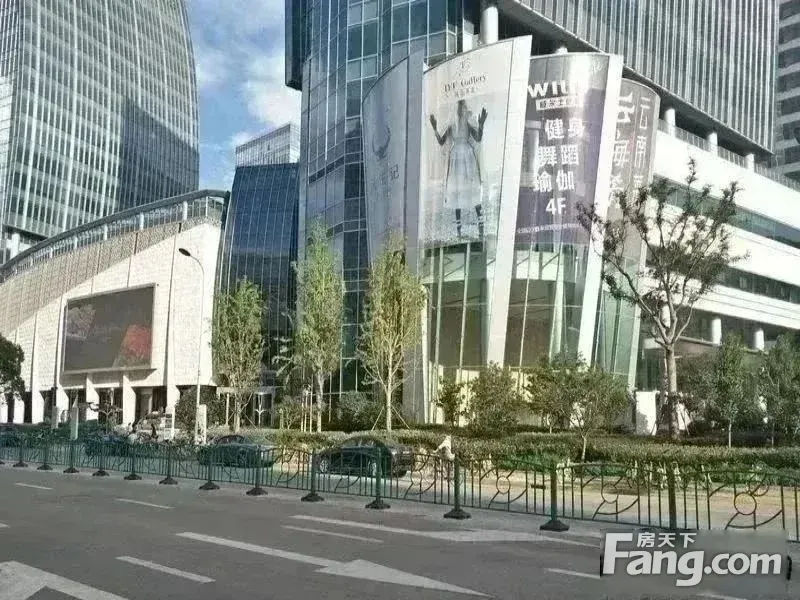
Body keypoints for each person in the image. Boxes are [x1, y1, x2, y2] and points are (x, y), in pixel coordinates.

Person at [429, 99, 488, 239]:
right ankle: (459, 231)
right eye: (459, 107)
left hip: (467, 157)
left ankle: (480, 229)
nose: (461, 110)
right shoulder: (452, 124)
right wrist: (435, 129)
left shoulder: (468, 122)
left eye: (463, 107)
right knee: (457, 190)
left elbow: (478, 138)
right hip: (456, 157)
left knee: (472, 188)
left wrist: (481, 124)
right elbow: (442, 141)